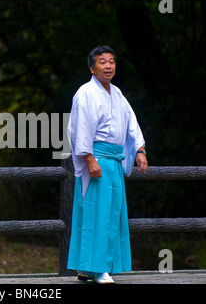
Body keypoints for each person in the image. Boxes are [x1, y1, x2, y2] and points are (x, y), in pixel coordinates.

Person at [66, 45, 148, 284]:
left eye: (111, 61)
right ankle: (97, 268)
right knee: (94, 214)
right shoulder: (85, 93)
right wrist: (89, 158)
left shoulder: (117, 93)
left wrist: (140, 150)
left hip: (114, 160)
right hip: (97, 159)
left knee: (111, 214)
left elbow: (131, 123)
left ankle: (89, 268)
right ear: (92, 67)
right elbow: (79, 128)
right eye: (102, 62)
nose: (108, 66)